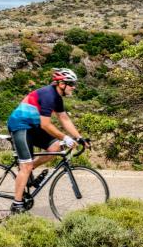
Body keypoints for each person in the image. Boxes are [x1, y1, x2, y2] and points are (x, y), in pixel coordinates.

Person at [5, 68, 85, 214]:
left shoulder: (57, 98)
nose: (74, 86)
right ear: (61, 84)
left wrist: (79, 138)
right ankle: (17, 204)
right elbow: (45, 125)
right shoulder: (48, 95)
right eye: (72, 83)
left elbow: (64, 118)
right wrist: (65, 138)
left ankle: (28, 171)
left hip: (32, 126)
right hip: (20, 125)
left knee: (55, 147)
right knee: (26, 166)